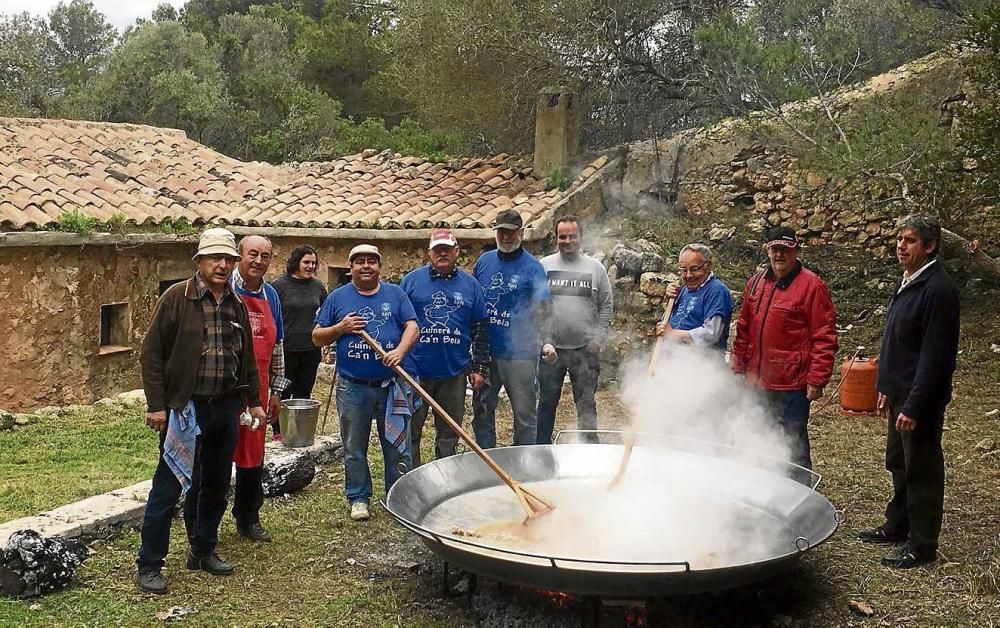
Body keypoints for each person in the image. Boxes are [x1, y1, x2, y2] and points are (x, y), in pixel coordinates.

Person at [135, 228, 266, 594]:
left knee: (216, 483)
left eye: (228, 260)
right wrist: (157, 405)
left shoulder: (237, 303)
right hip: (185, 409)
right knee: (168, 485)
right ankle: (149, 563)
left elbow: (247, 359)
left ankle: (203, 550)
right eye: (215, 259)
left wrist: (252, 399)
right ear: (200, 262)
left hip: (225, 407)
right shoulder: (178, 298)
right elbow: (152, 354)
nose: (222, 265)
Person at [859, 214, 960, 569]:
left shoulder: (938, 290)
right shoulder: (909, 281)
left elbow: (935, 357)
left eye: (911, 240)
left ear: (930, 246)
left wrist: (914, 405)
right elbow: (900, 343)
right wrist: (887, 387)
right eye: (900, 239)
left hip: (921, 400)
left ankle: (922, 545)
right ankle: (897, 525)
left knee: (921, 468)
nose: (901, 246)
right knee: (899, 463)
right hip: (901, 393)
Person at [312, 244, 419, 522]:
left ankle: (398, 495)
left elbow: (412, 327)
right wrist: (341, 328)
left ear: (379, 267)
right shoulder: (338, 298)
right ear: (351, 268)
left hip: (390, 384)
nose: (366, 266)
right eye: (360, 261)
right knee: (353, 444)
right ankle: (358, 497)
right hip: (353, 386)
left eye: (372, 261)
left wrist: (400, 352)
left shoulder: (395, 294)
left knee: (396, 443)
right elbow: (317, 336)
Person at [729, 226, 837, 470]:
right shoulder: (756, 283)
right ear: (767, 251)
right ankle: (763, 489)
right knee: (758, 438)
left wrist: (817, 379)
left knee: (793, 444)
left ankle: (799, 498)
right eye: (775, 249)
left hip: (792, 384)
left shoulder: (812, 286)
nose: (779, 255)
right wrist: (737, 367)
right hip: (757, 381)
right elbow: (744, 328)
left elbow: (824, 336)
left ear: (796, 251)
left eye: (785, 250)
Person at [400, 229, 490, 466]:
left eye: (447, 250)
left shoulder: (471, 285)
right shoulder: (410, 282)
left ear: (456, 251)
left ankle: (444, 477)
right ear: (429, 252)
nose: (442, 254)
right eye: (437, 250)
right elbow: (398, 323)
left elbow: (480, 326)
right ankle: (412, 478)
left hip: (454, 371)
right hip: (415, 371)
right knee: (411, 429)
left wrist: (478, 366)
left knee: (450, 431)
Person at [472, 210, 553, 448]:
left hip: (521, 355)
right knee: (482, 410)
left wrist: (547, 340)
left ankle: (523, 463)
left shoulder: (533, 268)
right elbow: (475, 303)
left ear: (521, 233)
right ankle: (488, 461)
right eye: (501, 232)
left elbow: (545, 309)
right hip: (486, 352)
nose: (505, 237)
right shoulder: (484, 262)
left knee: (524, 414)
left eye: (510, 232)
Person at [229, 235, 289, 543]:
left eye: (265, 256)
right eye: (253, 254)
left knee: (253, 455)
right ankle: (204, 521)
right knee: (215, 453)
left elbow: (277, 344)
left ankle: (248, 516)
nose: (258, 261)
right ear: (239, 256)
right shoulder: (224, 287)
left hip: (258, 389)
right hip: (224, 388)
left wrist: (276, 390)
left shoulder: (272, 296)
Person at [535, 216, 613, 444]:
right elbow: (538, 309)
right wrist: (544, 341)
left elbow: (606, 306)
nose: (567, 241)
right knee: (546, 404)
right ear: (556, 238)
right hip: (552, 350)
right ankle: (540, 452)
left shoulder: (595, 268)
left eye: (572, 236)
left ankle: (589, 454)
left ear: (580, 237)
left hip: (585, 350)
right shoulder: (544, 266)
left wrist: (598, 339)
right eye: (562, 236)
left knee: (586, 404)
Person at [272, 245, 328, 440]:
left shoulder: (318, 286)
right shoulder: (279, 285)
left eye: (313, 263)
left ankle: (300, 431)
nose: (310, 266)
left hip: (310, 349)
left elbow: (325, 313)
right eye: (306, 262)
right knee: (283, 394)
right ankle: (279, 432)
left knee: (304, 392)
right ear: (296, 262)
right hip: (285, 349)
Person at [655, 243, 734, 351]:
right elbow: (672, 320)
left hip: (700, 363)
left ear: (708, 266)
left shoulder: (717, 291)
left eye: (694, 269)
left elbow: (712, 334)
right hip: (672, 360)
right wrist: (669, 301)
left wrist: (674, 334)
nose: (688, 275)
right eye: (683, 269)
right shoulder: (683, 289)